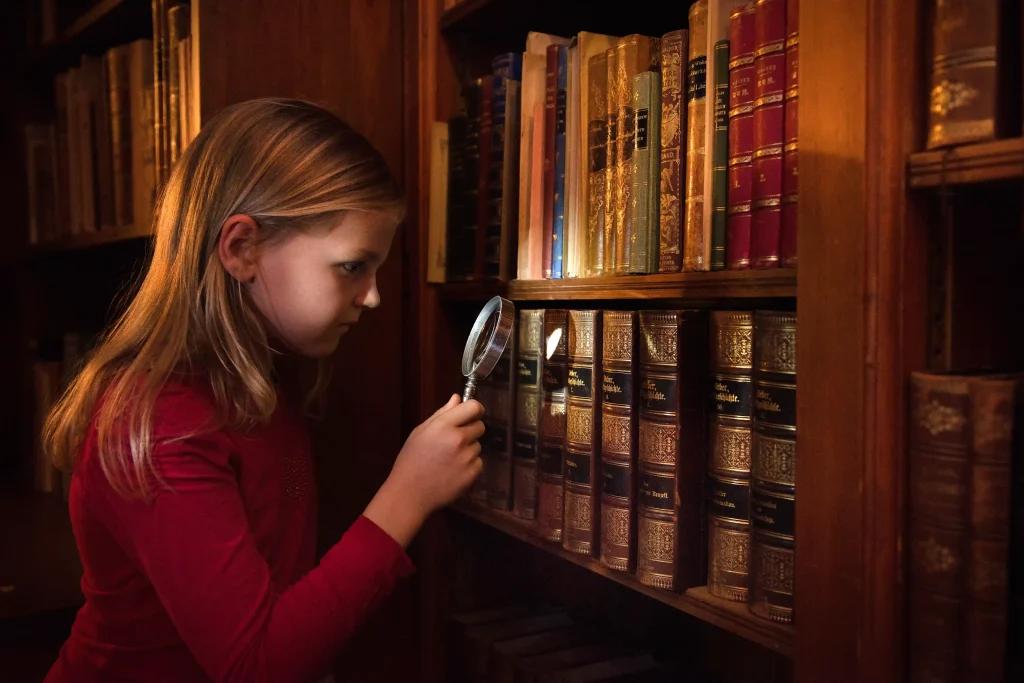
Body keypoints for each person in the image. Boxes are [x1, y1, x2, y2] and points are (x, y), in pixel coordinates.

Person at [40, 98, 485, 683]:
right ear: (243, 249)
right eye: (352, 266)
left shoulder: (260, 381)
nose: (373, 296)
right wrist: (408, 495)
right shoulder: (161, 422)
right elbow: (254, 666)